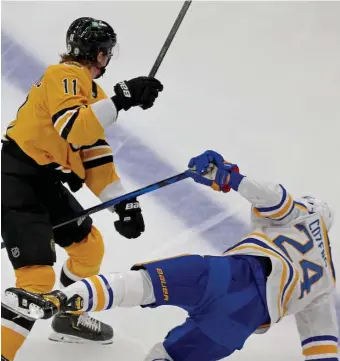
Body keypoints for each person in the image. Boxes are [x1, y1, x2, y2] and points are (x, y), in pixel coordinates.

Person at [4, 150, 338, 361]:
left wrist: (229, 177)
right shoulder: (326, 286)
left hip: (221, 276)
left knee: (139, 284)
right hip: (236, 324)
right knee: (164, 357)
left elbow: (272, 197)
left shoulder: (305, 214)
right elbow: (322, 346)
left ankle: (60, 301)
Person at [1, 16, 163, 361]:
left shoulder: (93, 93)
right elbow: (73, 128)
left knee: (88, 247)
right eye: (107, 52)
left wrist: (123, 203)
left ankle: (68, 317)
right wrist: (123, 96)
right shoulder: (62, 75)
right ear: (101, 54)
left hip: (43, 181)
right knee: (36, 278)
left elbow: (93, 155)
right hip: (15, 179)